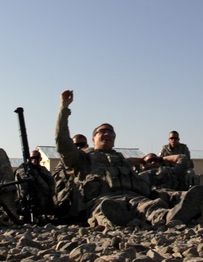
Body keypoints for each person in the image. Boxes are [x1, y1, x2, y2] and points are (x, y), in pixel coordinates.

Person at [54, 90, 168, 227]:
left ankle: (166, 216)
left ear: (114, 139)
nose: (107, 133)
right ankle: (127, 221)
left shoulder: (121, 160)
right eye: (102, 131)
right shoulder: (83, 158)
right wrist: (64, 108)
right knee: (106, 210)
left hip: (132, 196)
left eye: (111, 132)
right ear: (93, 138)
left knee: (150, 206)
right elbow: (62, 141)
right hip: (101, 200)